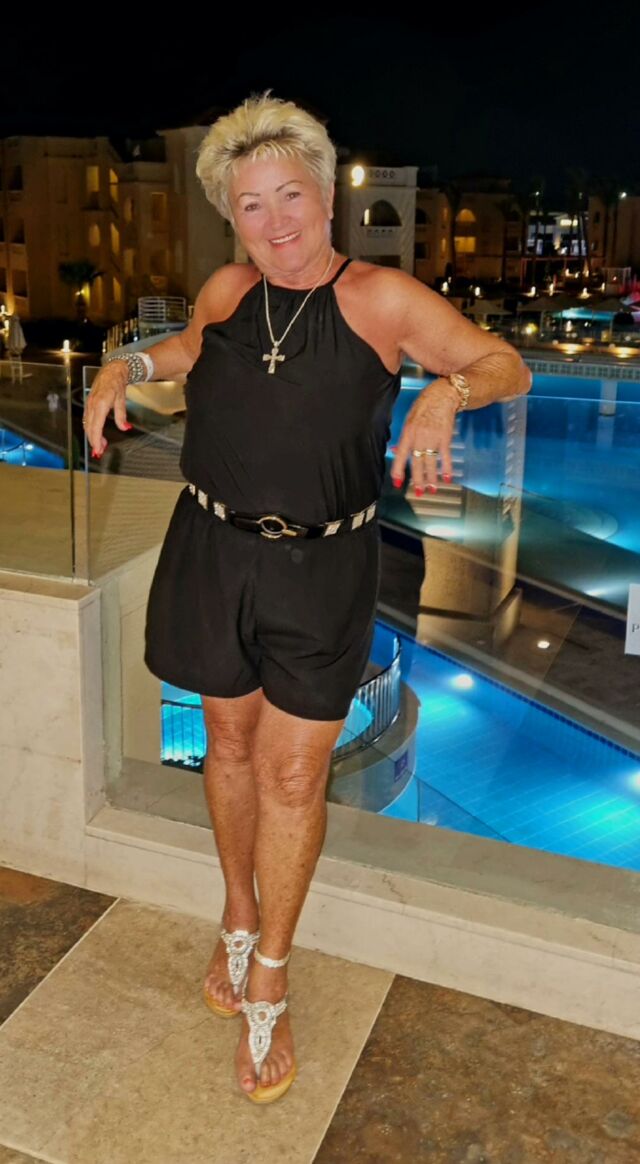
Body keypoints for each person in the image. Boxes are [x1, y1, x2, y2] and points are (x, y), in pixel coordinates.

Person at [82, 90, 531, 1105]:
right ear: (231, 218)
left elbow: (502, 364)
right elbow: (192, 349)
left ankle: (272, 976)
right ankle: (237, 920)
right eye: (251, 204)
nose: (276, 220)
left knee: (293, 777)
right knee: (228, 747)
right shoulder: (229, 288)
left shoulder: (381, 298)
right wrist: (128, 360)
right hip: (211, 548)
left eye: (291, 194)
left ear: (326, 196)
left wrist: (445, 390)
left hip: (324, 567)